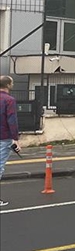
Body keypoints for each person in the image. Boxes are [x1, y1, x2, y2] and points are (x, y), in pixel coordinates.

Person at [0, 75, 21, 207]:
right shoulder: (9, 100)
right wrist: (16, 139)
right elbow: (12, 120)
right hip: (4, 137)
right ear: (8, 85)